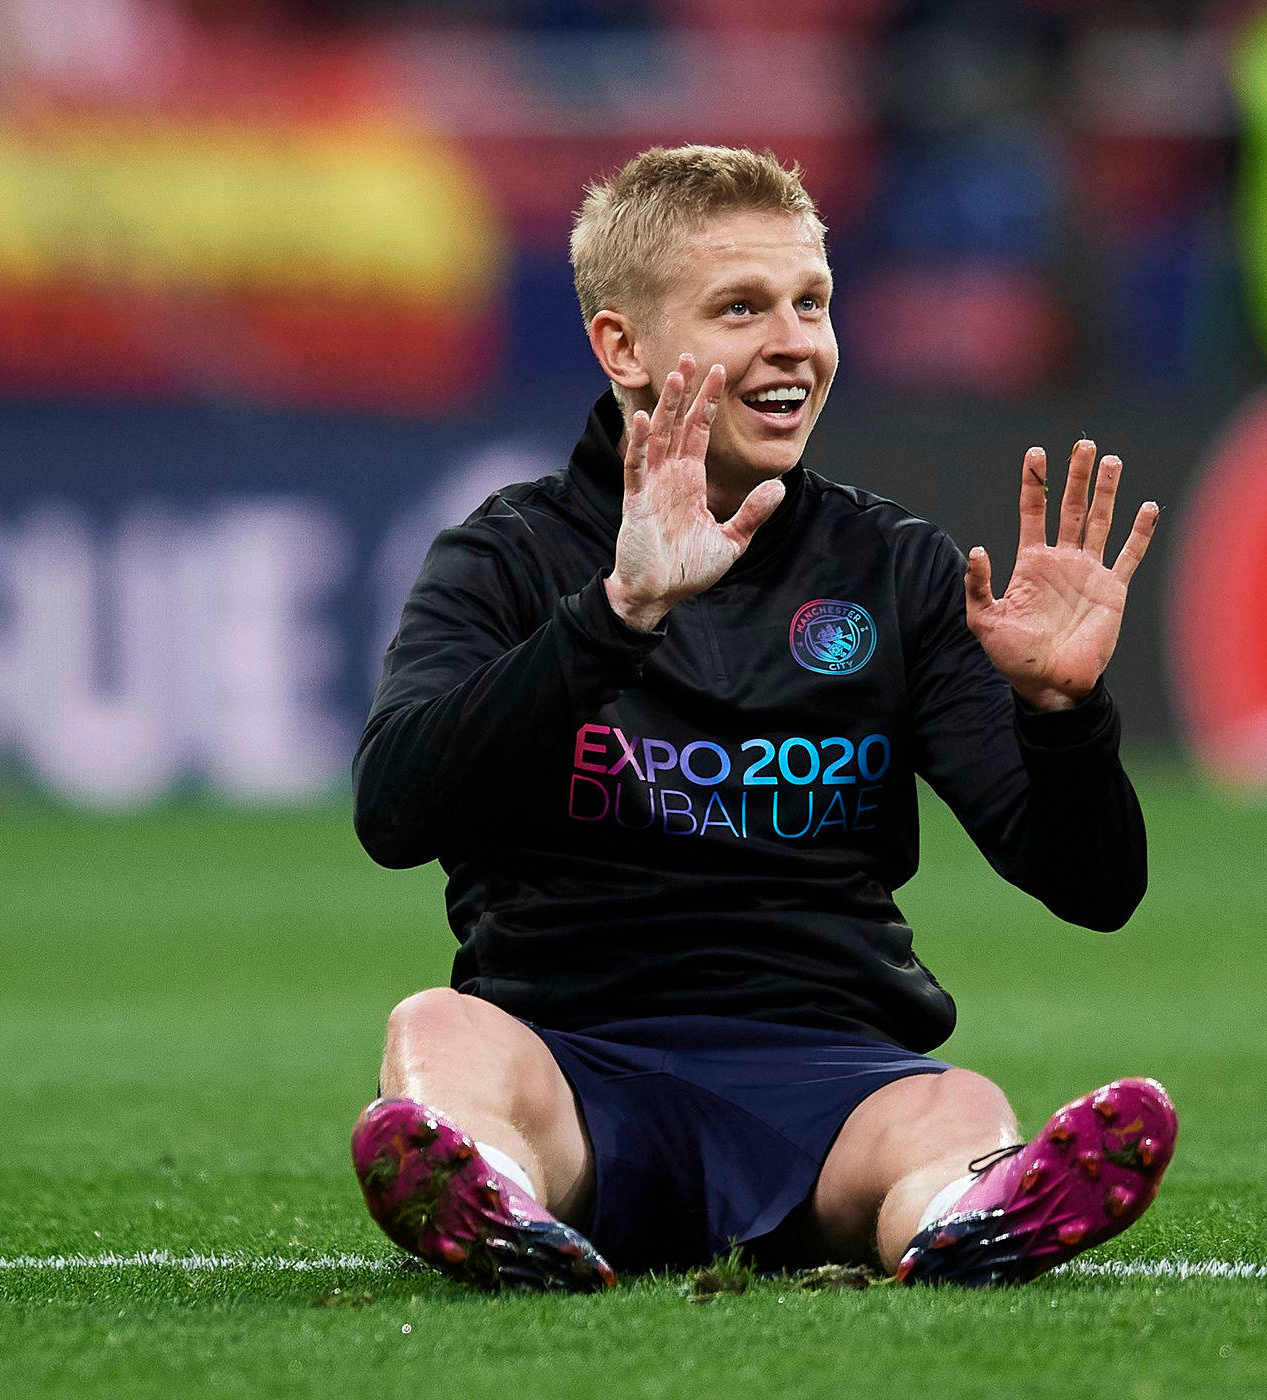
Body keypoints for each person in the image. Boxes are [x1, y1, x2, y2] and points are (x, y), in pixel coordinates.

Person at [348, 145, 1177, 1291]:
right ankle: (488, 1190)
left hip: (830, 1081)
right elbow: (393, 808)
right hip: (569, 1061)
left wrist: (1059, 712)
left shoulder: (893, 571)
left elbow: (1093, 886)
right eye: (739, 306)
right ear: (620, 346)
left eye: (811, 303)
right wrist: (614, 615)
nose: (793, 341)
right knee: (438, 1030)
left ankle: (967, 1211)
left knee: (954, 1104)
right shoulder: (508, 556)